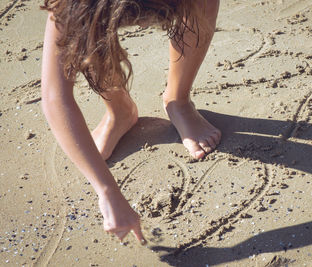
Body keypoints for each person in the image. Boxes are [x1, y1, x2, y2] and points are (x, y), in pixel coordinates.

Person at [40, 0, 221, 243]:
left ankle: (178, 100)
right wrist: (107, 191)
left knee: (202, 4)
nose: (144, 25)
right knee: (87, 30)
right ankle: (120, 112)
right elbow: (55, 96)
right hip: (90, 7)